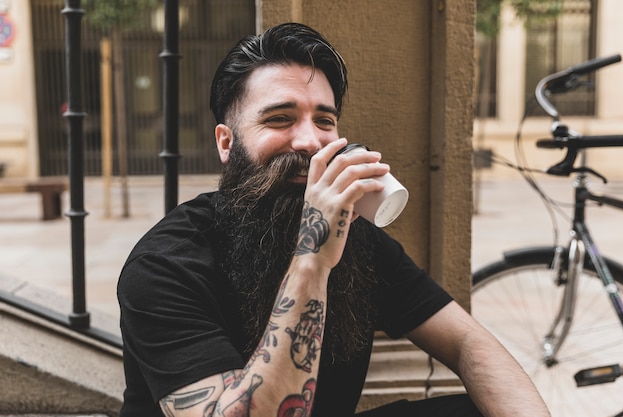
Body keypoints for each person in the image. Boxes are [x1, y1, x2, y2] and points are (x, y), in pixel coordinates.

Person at [117, 22, 550, 417]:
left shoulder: (357, 239)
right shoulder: (164, 264)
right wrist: (313, 258)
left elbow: (467, 341)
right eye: (280, 119)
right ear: (227, 143)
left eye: (324, 120)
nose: (309, 141)